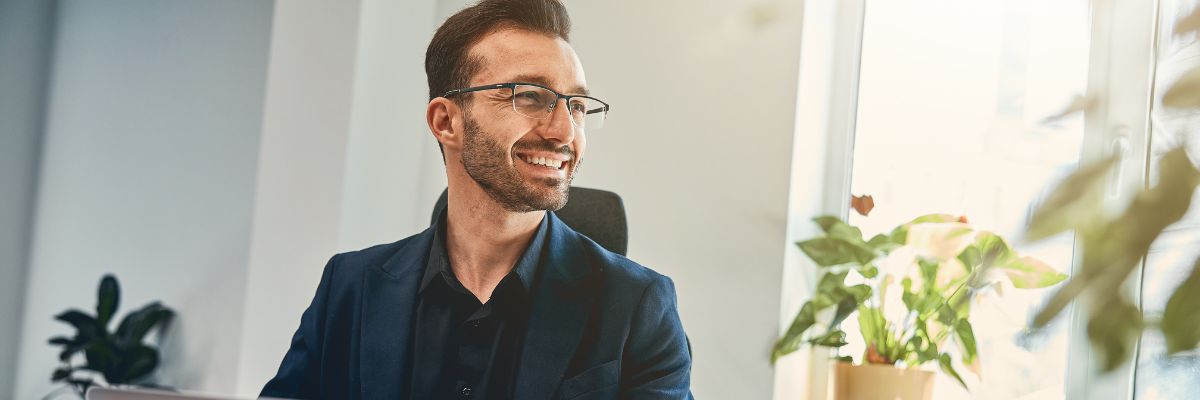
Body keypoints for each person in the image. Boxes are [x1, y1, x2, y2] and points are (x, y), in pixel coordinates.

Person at [259, 0, 693, 399]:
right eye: (530, 96)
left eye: (576, 105)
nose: (565, 131)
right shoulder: (348, 287)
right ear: (447, 121)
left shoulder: (639, 306)